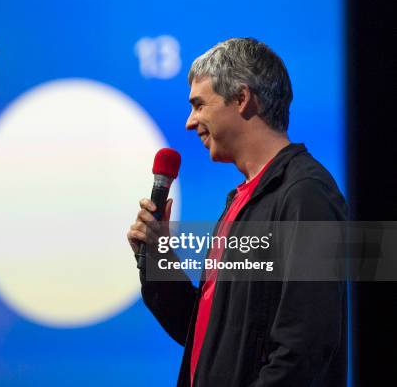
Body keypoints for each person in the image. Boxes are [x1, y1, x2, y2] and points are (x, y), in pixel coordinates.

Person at [126, 38, 347, 387]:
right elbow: (210, 336)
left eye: (199, 105)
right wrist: (158, 258)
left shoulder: (306, 194)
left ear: (242, 99)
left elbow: (306, 345)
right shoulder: (242, 202)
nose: (189, 122)